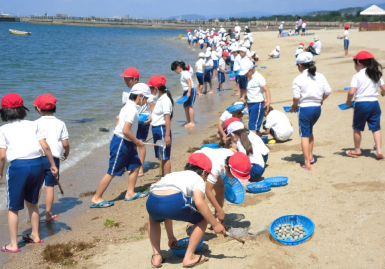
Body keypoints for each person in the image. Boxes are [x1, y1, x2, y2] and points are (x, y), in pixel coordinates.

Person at [0, 93, 58, 252]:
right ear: (22, 109)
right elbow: (45, 147)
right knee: (32, 203)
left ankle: (13, 244)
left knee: (13, 207)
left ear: (4, 111)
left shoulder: (3, 129)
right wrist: (52, 165)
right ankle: (35, 235)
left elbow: (2, 156)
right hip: (38, 164)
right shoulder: (33, 124)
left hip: (19, 167)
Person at [146, 153, 226, 268]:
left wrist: (171, 237)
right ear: (203, 172)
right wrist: (214, 223)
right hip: (174, 199)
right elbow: (199, 202)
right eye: (207, 175)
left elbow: (167, 214)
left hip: (152, 200)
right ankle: (189, 256)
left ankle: (157, 256)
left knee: (154, 219)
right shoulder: (198, 178)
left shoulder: (173, 175)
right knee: (203, 218)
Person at [91, 83, 152, 208]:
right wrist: (137, 142)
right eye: (145, 98)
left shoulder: (128, 106)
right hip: (121, 142)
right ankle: (96, 197)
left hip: (127, 142)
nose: (146, 102)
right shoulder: (132, 110)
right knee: (112, 171)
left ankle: (130, 193)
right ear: (140, 96)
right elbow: (125, 130)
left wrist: (133, 143)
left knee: (135, 166)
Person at [289, 52, 331, 170]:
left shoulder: (298, 79)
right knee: (309, 131)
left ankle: (307, 163)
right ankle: (311, 156)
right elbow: (328, 91)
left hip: (305, 108)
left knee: (304, 135)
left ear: (300, 65)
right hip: (317, 108)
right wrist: (321, 100)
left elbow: (296, 97)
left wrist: (294, 106)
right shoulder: (320, 76)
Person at [191, 148, 251, 225]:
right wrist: (220, 210)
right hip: (197, 162)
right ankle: (194, 220)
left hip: (211, 158)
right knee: (199, 195)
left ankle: (218, 218)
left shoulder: (233, 158)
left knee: (220, 189)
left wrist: (219, 211)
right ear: (226, 167)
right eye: (233, 175)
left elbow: (233, 151)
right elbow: (208, 191)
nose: (234, 178)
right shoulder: (216, 168)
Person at [34, 94, 70, 222]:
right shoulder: (60, 123)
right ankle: (48, 214)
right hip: (53, 160)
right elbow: (65, 143)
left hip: (37, 158)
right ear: (54, 107)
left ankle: (33, 214)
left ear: (38, 109)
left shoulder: (35, 124)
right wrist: (67, 152)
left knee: (36, 186)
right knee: (50, 187)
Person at [345, 51, 385, 159]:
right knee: (376, 128)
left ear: (359, 62)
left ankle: (357, 150)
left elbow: (351, 92)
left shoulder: (357, 76)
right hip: (374, 103)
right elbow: (384, 88)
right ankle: (379, 150)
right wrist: (382, 93)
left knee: (357, 128)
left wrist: (348, 102)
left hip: (361, 104)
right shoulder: (376, 74)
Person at [121, 67, 154, 177]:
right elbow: (125, 107)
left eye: (128, 80)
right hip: (132, 119)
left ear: (135, 79)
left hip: (143, 118)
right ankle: (133, 166)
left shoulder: (143, 89)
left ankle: (140, 167)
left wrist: (152, 116)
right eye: (124, 80)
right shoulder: (126, 92)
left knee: (141, 143)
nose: (126, 82)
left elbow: (151, 104)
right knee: (132, 143)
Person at [148, 76, 174, 176]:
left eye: (151, 88)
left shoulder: (165, 100)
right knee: (161, 155)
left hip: (162, 130)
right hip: (157, 130)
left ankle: (166, 178)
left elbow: (167, 119)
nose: (150, 91)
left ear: (156, 88)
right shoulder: (160, 99)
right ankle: (163, 177)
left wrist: (167, 135)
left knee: (165, 156)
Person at [246, 61, 271, 136]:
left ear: (252, 69)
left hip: (257, 104)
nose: (245, 74)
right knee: (253, 125)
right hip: (250, 104)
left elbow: (266, 89)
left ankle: (253, 145)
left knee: (252, 126)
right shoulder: (249, 78)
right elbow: (250, 92)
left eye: (247, 72)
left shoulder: (258, 77)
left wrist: (268, 102)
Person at [172, 61, 196, 127]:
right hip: (186, 91)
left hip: (191, 90)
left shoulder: (185, 73)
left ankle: (192, 122)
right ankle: (188, 121)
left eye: (175, 70)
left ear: (178, 67)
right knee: (185, 106)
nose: (175, 72)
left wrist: (189, 92)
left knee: (190, 106)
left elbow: (189, 83)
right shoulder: (183, 73)